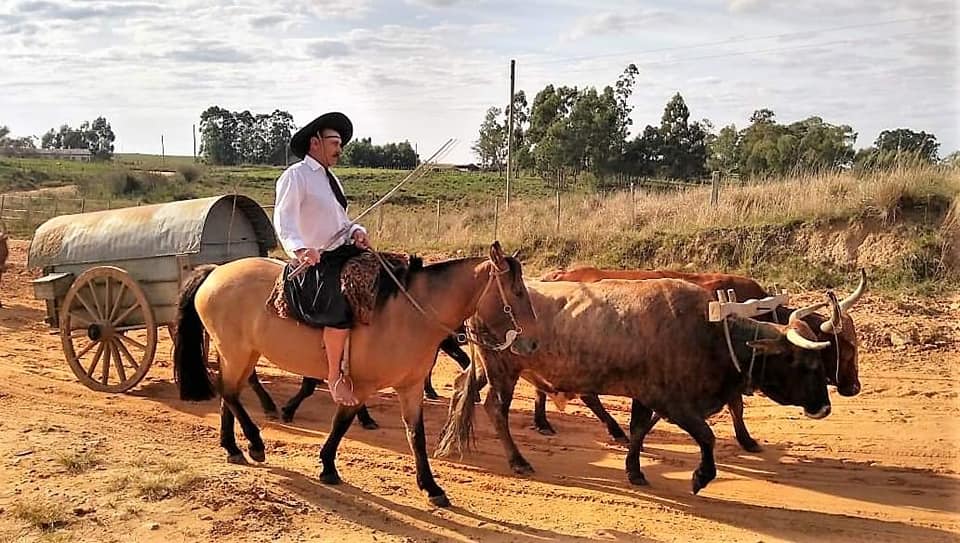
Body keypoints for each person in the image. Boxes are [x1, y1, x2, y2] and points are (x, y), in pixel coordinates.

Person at [273, 111, 369, 407]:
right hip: (314, 263)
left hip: (342, 252)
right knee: (339, 305)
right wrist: (300, 249)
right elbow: (283, 219)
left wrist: (356, 230)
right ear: (315, 142)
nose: (340, 149)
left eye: (340, 143)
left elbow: (340, 221)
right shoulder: (296, 176)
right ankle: (334, 377)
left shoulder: (332, 179)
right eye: (335, 142)